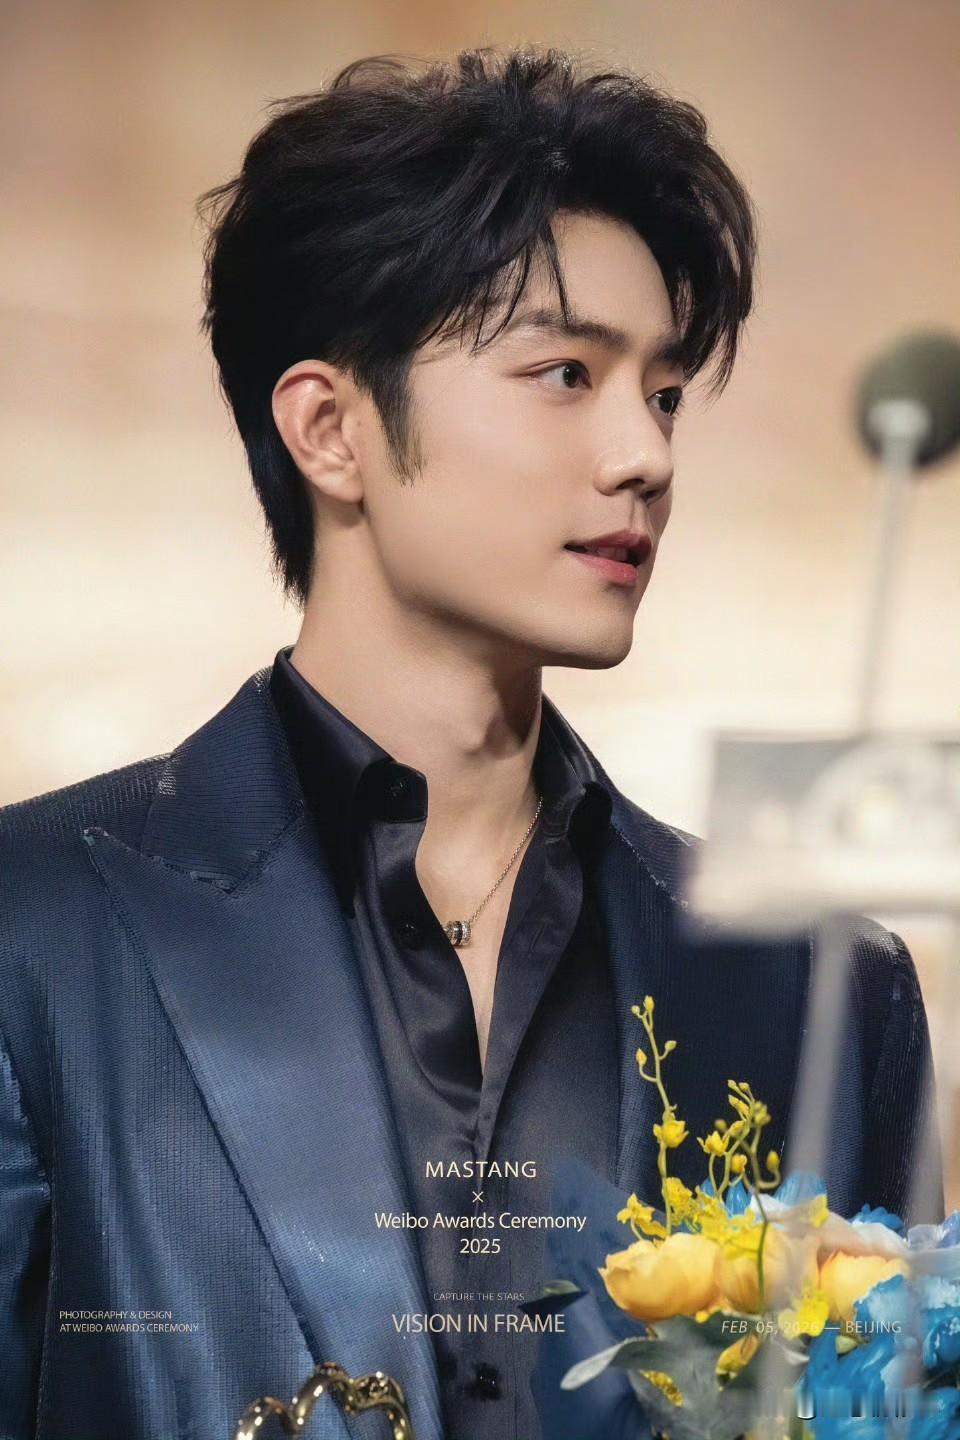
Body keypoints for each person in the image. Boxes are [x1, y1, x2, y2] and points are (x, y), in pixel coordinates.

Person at [0, 47, 941, 1440]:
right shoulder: (37, 929)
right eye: (565, 373)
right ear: (330, 430)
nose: (647, 456)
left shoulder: (817, 988)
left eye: (664, 392)